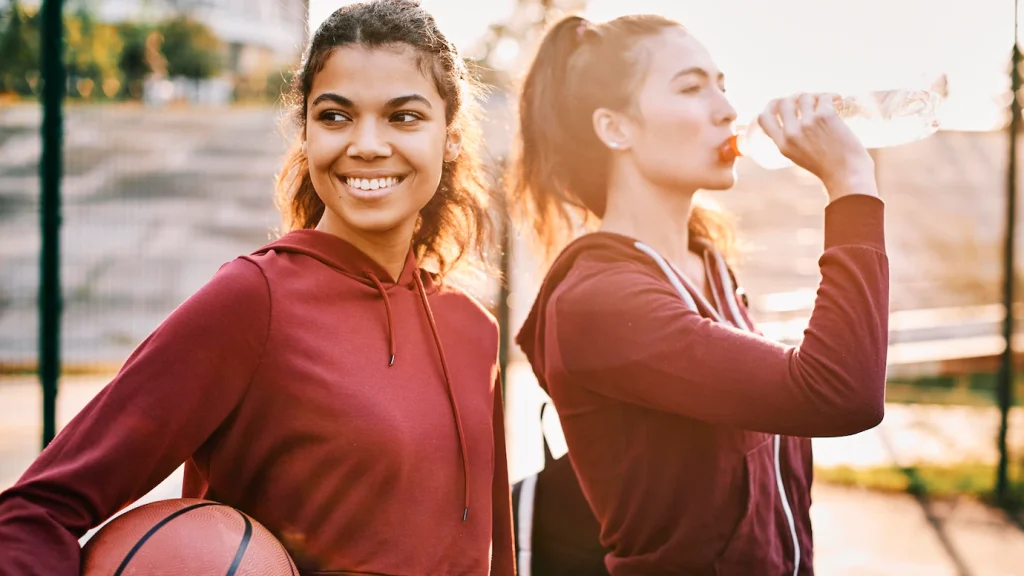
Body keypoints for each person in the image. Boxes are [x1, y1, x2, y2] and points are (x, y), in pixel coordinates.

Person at [0, 2, 515, 574]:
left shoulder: (473, 330)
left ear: (450, 137)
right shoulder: (253, 301)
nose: (367, 144)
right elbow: (37, 510)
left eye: (404, 117)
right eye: (336, 116)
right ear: (305, 132)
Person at [508, 14, 888, 576]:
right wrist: (852, 183)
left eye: (722, 84)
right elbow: (839, 393)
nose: (727, 109)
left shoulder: (707, 267)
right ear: (616, 128)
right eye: (691, 87)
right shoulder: (600, 301)